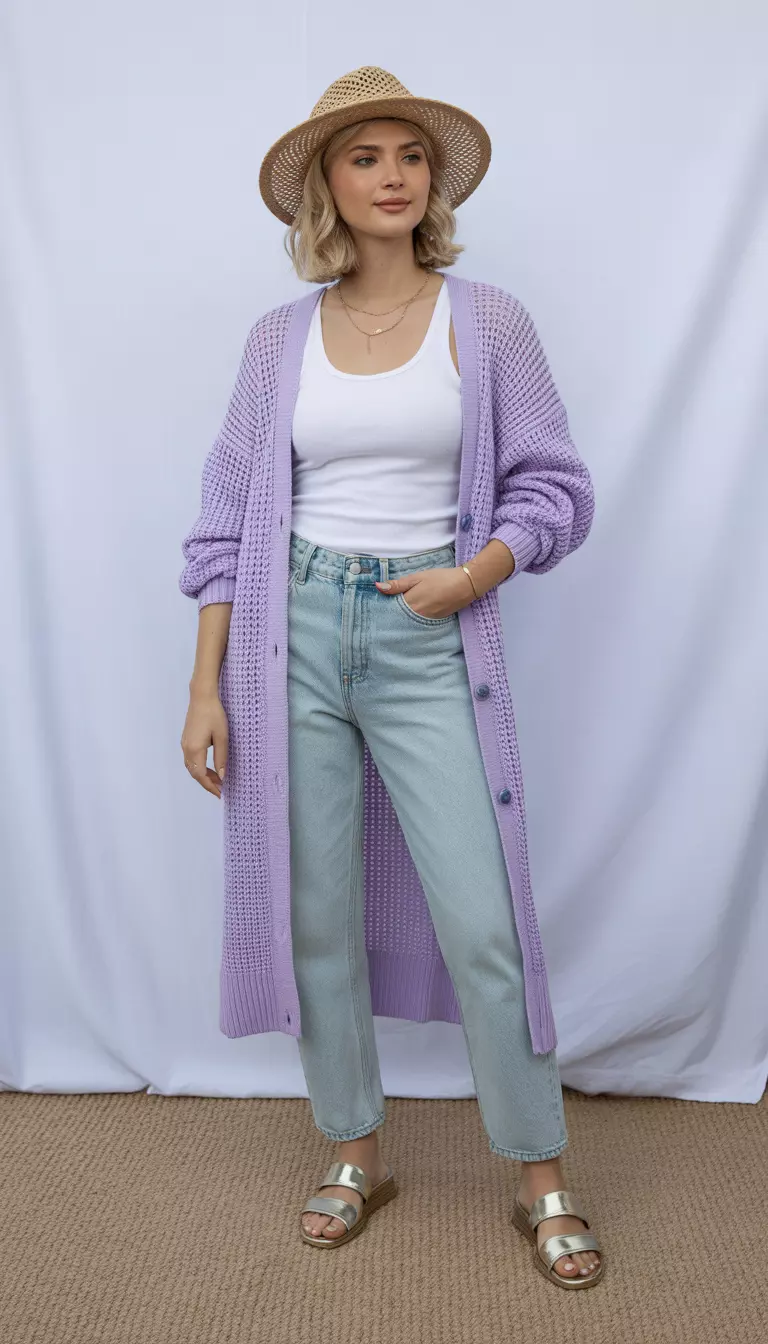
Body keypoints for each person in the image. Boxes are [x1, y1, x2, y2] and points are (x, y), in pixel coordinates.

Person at [179, 66, 603, 1289]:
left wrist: (475, 576)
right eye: (363, 156)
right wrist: (209, 689)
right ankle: (357, 1148)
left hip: (429, 632)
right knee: (315, 914)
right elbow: (223, 525)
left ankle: (539, 1171)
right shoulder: (278, 342)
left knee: (484, 922)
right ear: (327, 185)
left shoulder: (492, 322)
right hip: (288, 633)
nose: (391, 176)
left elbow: (554, 487)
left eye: (407, 155)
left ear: (432, 184)